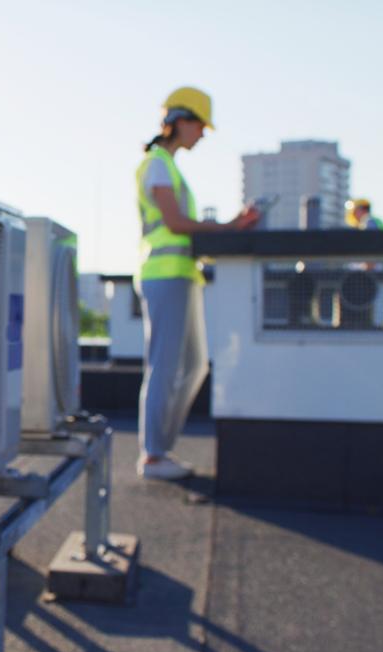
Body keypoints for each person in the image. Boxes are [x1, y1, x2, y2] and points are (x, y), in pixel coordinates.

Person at [135, 87, 259, 480]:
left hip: (180, 276)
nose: (202, 135)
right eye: (200, 126)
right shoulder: (157, 165)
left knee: (192, 366)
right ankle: (153, 456)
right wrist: (226, 227)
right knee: (166, 367)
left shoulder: (166, 166)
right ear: (180, 122)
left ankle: (160, 451)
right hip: (165, 275)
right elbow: (174, 223)